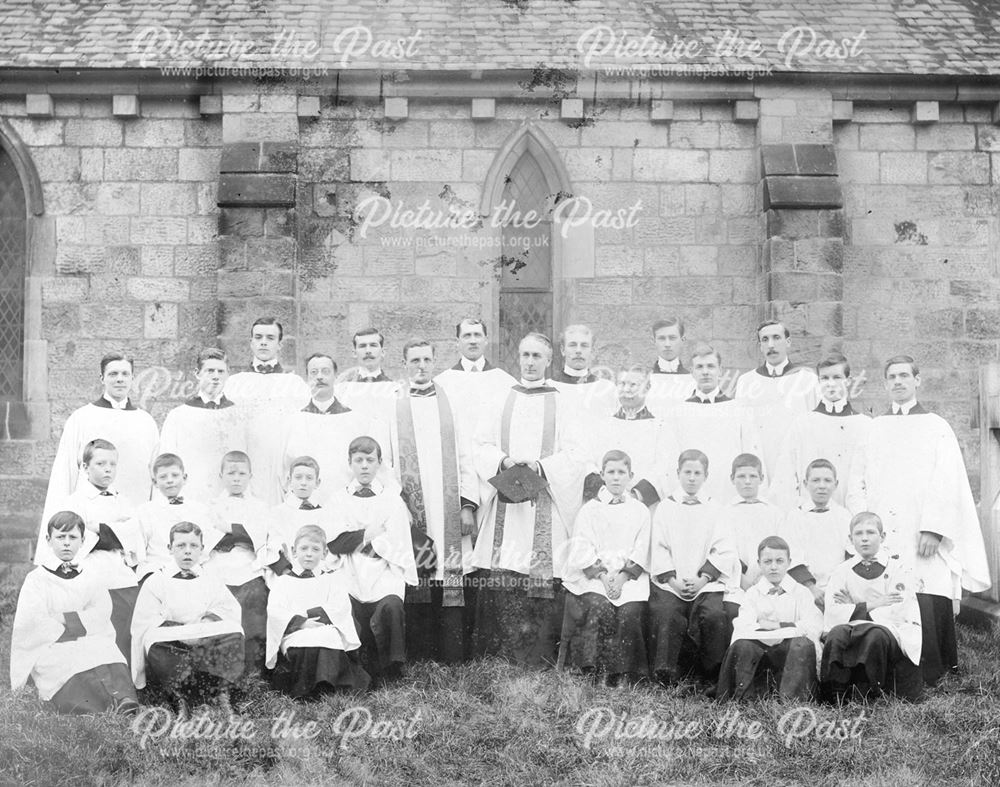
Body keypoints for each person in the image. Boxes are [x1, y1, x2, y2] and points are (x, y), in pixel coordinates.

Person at [847, 355, 991, 685]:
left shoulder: (936, 426)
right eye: (891, 377)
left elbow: (947, 480)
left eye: (904, 376)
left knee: (926, 584)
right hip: (884, 528)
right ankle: (887, 666)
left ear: (917, 380)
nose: (898, 382)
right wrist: (865, 525)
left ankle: (932, 668)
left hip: (922, 532)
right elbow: (858, 479)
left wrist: (934, 529)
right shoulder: (874, 428)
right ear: (884, 384)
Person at [471, 332, 589, 668]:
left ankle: (538, 656)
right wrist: (504, 462)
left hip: (545, 504)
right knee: (505, 570)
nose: (530, 362)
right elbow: (479, 446)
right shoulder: (501, 399)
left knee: (541, 572)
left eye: (537, 356)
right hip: (507, 504)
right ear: (518, 357)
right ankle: (500, 654)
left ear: (550, 359)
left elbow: (577, 454)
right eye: (525, 355)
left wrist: (541, 466)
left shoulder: (563, 401)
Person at [385, 339, 478, 664]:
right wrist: (401, 507)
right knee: (420, 569)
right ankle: (422, 655)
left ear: (435, 360)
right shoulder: (393, 404)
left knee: (450, 573)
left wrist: (467, 504)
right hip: (412, 508)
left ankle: (453, 655)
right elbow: (387, 462)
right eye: (415, 360)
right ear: (405, 363)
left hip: (449, 508)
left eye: (427, 359)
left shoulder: (452, 401)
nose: (421, 366)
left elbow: (466, 455)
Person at [11, 511, 139, 714]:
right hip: (52, 644)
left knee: (105, 650)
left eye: (73, 537)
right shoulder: (37, 579)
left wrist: (64, 618)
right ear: (48, 540)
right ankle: (97, 706)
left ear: (82, 541)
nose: (67, 543)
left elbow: (101, 612)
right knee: (70, 660)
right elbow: (33, 622)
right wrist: (76, 626)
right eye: (60, 537)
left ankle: (124, 699)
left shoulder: (90, 576)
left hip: (86, 636)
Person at [326, 437, 417, 684]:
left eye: (370, 460)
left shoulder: (391, 500)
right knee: (341, 603)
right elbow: (335, 543)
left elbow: (397, 542)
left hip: (383, 572)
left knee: (390, 605)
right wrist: (369, 534)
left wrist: (359, 540)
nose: (364, 466)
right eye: (358, 460)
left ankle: (390, 670)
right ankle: (354, 666)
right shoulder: (338, 499)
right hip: (349, 571)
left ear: (379, 464)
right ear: (350, 463)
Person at [130, 521, 245, 711]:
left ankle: (221, 692)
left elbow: (228, 609)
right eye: (181, 546)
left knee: (234, 631)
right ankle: (179, 696)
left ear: (202, 549)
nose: (187, 551)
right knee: (155, 640)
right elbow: (145, 620)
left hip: (205, 637)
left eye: (194, 546)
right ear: (170, 549)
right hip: (174, 640)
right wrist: (181, 631)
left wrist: (206, 623)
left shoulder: (211, 579)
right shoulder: (157, 580)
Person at [559, 450, 650, 686]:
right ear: (602, 475)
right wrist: (602, 576)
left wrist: (621, 578)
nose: (616, 478)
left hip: (628, 579)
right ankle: (595, 671)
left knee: (629, 613)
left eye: (622, 472)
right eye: (611, 472)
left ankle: (622, 674)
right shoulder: (590, 510)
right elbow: (582, 545)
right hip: (596, 578)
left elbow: (642, 547)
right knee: (598, 607)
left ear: (631, 475)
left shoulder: (640, 511)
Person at [649, 450, 737, 687]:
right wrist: (672, 579)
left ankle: (710, 678)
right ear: (678, 473)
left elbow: (724, 548)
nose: (691, 478)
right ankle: (667, 677)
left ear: (705, 476)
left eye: (697, 473)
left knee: (714, 616)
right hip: (672, 582)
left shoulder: (715, 508)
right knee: (667, 614)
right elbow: (658, 547)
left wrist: (704, 578)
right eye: (687, 472)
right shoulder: (666, 507)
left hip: (705, 583)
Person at [41, 351, 159, 528]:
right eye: (113, 374)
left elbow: (155, 473)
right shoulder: (82, 418)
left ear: (132, 378)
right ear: (102, 378)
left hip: (134, 512)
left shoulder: (146, 421)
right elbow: (65, 473)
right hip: (92, 516)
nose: (120, 379)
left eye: (125, 374)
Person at [51, 438, 142, 662]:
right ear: (84, 467)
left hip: (121, 573)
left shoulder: (124, 501)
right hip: (91, 571)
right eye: (101, 464)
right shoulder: (75, 502)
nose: (108, 469)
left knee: (126, 625)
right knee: (96, 627)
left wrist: (99, 528)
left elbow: (134, 534)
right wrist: (112, 532)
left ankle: (127, 676)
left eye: (112, 464)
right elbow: (77, 539)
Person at [821, 512, 923, 702]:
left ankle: (868, 692)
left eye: (871, 532)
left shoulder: (897, 568)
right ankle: (836, 694)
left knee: (873, 635)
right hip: (851, 626)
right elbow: (834, 608)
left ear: (882, 537)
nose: (865, 539)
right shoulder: (842, 571)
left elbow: (897, 606)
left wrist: (854, 608)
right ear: (851, 539)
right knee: (837, 634)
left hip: (890, 629)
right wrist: (872, 604)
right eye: (858, 534)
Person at [266, 525, 370, 698]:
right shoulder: (283, 582)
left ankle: (328, 686)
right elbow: (276, 611)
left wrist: (319, 619)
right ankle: (305, 688)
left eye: (315, 549)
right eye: (304, 548)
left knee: (326, 636)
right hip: (296, 631)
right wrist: (301, 622)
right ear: (294, 551)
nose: (309, 554)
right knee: (307, 638)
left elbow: (340, 607)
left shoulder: (332, 579)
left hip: (326, 627)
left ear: (324, 553)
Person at [716, 536, 822, 701]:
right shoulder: (752, 593)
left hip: (790, 655)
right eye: (767, 562)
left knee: (803, 644)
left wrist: (778, 626)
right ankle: (745, 698)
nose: (773, 567)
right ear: (759, 564)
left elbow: (813, 624)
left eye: (779, 561)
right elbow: (743, 625)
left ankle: (792, 699)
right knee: (742, 645)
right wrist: (763, 630)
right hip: (762, 653)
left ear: (789, 562)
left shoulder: (801, 592)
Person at [281, 352, 392, 504]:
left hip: (348, 505)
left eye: (326, 371)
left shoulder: (356, 420)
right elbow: (285, 470)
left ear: (335, 376)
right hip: (306, 507)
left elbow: (375, 466)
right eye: (314, 372)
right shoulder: (293, 421)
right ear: (307, 379)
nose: (319, 377)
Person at [223, 317, 310, 504]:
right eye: (258, 337)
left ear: (279, 345)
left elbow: (301, 432)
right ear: (251, 342)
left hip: (278, 465)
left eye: (270, 338)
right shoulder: (234, 383)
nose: (263, 342)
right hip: (245, 462)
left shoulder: (294, 385)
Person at [771, 353, 871, 509]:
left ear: (849, 381)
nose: (831, 384)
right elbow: (785, 475)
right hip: (810, 514)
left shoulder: (864, 425)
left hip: (851, 516)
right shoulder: (803, 424)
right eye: (825, 378)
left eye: (837, 377)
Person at [663, 344, 761, 503]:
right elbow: (671, 458)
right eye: (699, 367)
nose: (705, 372)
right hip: (692, 493)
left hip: (728, 490)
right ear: (692, 372)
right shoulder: (678, 412)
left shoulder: (739, 410)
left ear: (720, 370)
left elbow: (750, 454)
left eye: (711, 366)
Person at [204, 450, 269, 675]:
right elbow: (209, 536)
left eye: (242, 473)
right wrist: (239, 532)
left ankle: (252, 669)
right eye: (231, 473)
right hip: (218, 564)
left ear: (250, 476)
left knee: (255, 597)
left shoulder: (259, 506)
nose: (236, 478)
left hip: (247, 565)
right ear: (221, 475)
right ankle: (220, 669)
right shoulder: (211, 505)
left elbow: (258, 536)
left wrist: (229, 529)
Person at [734, 320, 819, 481]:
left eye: (776, 338)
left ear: (788, 342)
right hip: (759, 462)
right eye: (765, 340)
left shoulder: (807, 380)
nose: (771, 345)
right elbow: (742, 430)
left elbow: (815, 426)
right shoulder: (747, 382)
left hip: (795, 462)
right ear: (760, 346)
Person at [159, 348, 245, 502]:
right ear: (197, 373)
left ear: (228, 374)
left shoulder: (238, 415)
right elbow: (167, 462)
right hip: (191, 494)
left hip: (227, 496)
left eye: (221, 371)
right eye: (210, 371)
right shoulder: (179, 415)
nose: (216, 377)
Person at [586, 365, 672, 507]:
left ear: (647, 387)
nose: (626, 390)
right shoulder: (603, 425)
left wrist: (635, 495)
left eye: (633, 385)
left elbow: (663, 469)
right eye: (622, 384)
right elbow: (590, 462)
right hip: (605, 504)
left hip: (644, 506)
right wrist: (605, 493)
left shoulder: (660, 428)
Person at [135, 453, 223, 582]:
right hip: (158, 570)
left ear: (185, 478)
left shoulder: (199, 509)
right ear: (155, 482)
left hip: (192, 571)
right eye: (163, 477)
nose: (170, 480)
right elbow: (139, 548)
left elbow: (206, 547)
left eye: (175, 475)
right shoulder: (145, 511)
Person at [780, 459, 853, 610]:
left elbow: (851, 555)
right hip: (805, 589)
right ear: (806, 484)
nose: (821, 486)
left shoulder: (844, 516)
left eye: (827, 480)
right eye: (815, 480)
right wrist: (811, 588)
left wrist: (836, 588)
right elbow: (792, 557)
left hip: (839, 590)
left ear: (836, 484)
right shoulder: (795, 517)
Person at [434, 317, 517, 434]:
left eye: (477, 335)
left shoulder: (504, 381)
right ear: (457, 341)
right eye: (467, 336)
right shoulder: (442, 382)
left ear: (486, 340)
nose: (473, 341)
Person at [725, 454, 784, 614]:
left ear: (762, 478)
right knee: (732, 612)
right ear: (732, 479)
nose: (747, 481)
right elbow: (725, 550)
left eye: (753, 476)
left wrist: (766, 577)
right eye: (741, 476)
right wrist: (740, 577)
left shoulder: (773, 512)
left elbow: (780, 548)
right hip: (737, 583)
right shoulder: (725, 513)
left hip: (769, 579)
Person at [262, 456, 335, 578]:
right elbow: (272, 546)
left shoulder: (326, 514)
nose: (303, 483)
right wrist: (287, 571)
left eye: (309, 478)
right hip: (288, 575)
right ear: (290, 480)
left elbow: (330, 548)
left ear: (317, 483)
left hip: (319, 575)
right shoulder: (278, 513)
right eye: (298, 477)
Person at [550, 324, 617, 417]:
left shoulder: (606, 388)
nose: (578, 350)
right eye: (572, 345)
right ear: (562, 350)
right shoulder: (550, 387)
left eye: (584, 345)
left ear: (592, 350)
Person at [337, 328, 400, 417]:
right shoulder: (341, 390)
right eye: (362, 346)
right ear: (354, 353)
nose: (368, 351)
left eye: (373, 345)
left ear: (383, 352)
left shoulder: (395, 389)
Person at [647, 317, 695, 413]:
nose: (667, 344)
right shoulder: (645, 380)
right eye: (662, 338)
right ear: (653, 341)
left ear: (683, 340)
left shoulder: (692, 381)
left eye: (672, 338)